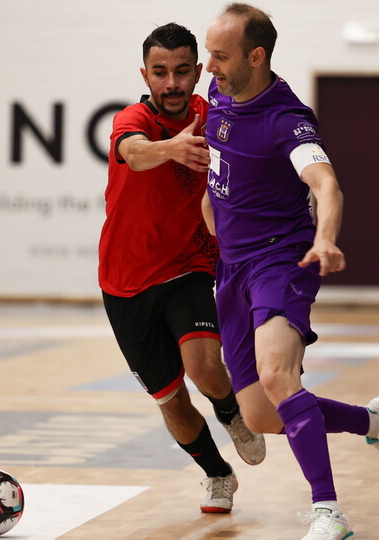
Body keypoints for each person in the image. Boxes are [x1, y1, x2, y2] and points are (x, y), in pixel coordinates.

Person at [202, 5, 379, 539]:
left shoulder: (287, 119)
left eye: (221, 56)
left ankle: (329, 513)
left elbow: (326, 185)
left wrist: (325, 239)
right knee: (260, 416)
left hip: (282, 259)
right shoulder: (218, 97)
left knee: (279, 375)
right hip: (231, 267)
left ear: (257, 56)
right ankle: (376, 422)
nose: (210, 66)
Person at [98, 22, 265, 514]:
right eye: (160, 72)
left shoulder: (214, 118)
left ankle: (231, 411)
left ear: (197, 71)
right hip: (124, 281)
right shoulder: (134, 120)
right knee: (171, 400)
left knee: (205, 367)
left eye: (181, 71)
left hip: (188, 265)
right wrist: (172, 148)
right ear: (145, 75)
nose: (171, 83)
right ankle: (218, 475)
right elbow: (132, 152)